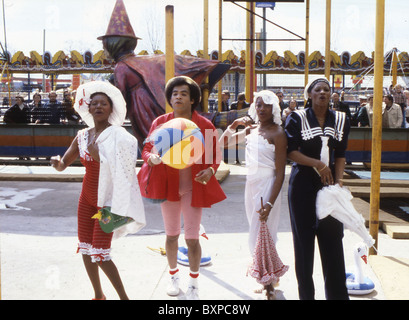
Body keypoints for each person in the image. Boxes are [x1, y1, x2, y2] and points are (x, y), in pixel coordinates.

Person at [50, 81, 146, 300]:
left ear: (111, 109)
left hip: (111, 202)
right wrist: (57, 163)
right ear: (89, 108)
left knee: (100, 255)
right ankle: (98, 295)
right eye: (94, 103)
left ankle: (124, 298)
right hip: (86, 199)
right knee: (85, 250)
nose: (99, 107)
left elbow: (126, 171)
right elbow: (64, 163)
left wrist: (98, 157)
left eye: (104, 103)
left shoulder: (121, 137)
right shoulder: (82, 136)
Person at [139, 76, 226, 300]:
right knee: (171, 236)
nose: (178, 96)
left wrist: (211, 171)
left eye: (183, 93)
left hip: (193, 188)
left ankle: (194, 283)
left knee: (192, 238)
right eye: (174, 93)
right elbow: (147, 149)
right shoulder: (160, 122)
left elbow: (215, 156)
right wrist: (151, 158)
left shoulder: (204, 125)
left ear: (193, 98)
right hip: (167, 188)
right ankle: (173, 277)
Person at [285, 78, 350, 300]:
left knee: (333, 241)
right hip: (302, 184)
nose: (323, 92)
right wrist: (318, 164)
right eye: (318, 89)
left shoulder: (341, 119)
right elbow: (291, 152)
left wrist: (338, 183)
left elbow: (340, 154)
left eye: (327, 89)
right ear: (309, 94)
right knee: (303, 244)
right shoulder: (296, 117)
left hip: (329, 185)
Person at [219, 90, 288, 299]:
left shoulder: (278, 133)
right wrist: (232, 127)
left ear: (274, 108)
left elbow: (280, 174)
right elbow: (223, 143)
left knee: (261, 232)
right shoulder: (251, 131)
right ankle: (269, 275)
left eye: (266, 105)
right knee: (257, 231)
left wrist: (269, 203)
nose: (262, 109)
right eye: (258, 105)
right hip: (251, 186)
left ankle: (268, 284)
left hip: (268, 186)